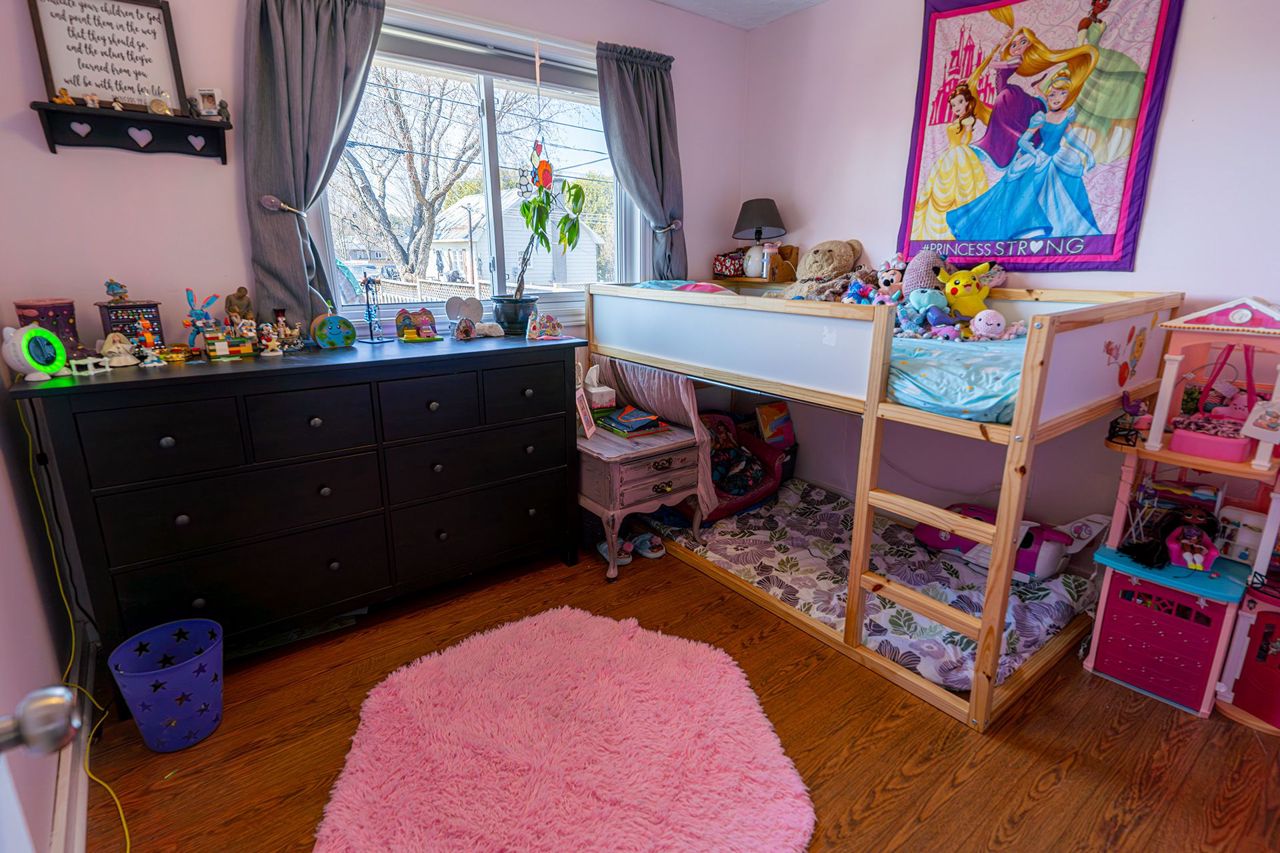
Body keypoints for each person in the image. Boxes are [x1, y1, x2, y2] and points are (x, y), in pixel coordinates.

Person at [947, 70, 1100, 241]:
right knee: (1018, 192)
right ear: (1047, 96)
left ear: (1068, 96)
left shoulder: (1065, 116)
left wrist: (1088, 153)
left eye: (1062, 93)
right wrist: (1035, 154)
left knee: (1065, 189)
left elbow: (1071, 139)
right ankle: (1023, 229)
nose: (1056, 98)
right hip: (1039, 158)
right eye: (1052, 94)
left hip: (1057, 158)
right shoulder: (1041, 117)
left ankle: (1062, 232)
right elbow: (1023, 141)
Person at [965, 26, 1098, 170]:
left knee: (1005, 119)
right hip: (1007, 94)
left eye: (1023, 42)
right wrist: (1003, 43)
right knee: (1003, 122)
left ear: (1030, 44)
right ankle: (1006, 148)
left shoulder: (1017, 60)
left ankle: (1010, 147)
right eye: (1014, 44)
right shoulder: (1012, 59)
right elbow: (997, 62)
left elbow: (993, 64)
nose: (1017, 47)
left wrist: (1002, 45)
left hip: (1009, 95)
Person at [910, 84, 990, 241]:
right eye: (953, 105)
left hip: (961, 155)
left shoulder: (968, 120)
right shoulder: (957, 121)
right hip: (950, 155)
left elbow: (966, 140)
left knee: (962, 189)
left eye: (960, 102)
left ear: (967, 102)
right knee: (941, 188)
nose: (956, 107)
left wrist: (967, 128)